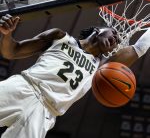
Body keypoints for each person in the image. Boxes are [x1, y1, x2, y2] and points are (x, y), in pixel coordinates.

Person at [0, 14, 149, 138]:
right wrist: (7, 35)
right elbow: (12, 52)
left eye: (117, 41)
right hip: (23, 87)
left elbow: (139, 48)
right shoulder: (59, 37)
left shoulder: (102, 68)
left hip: (44, 112)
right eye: (114, 33)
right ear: (98, 29)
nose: (116, 39)